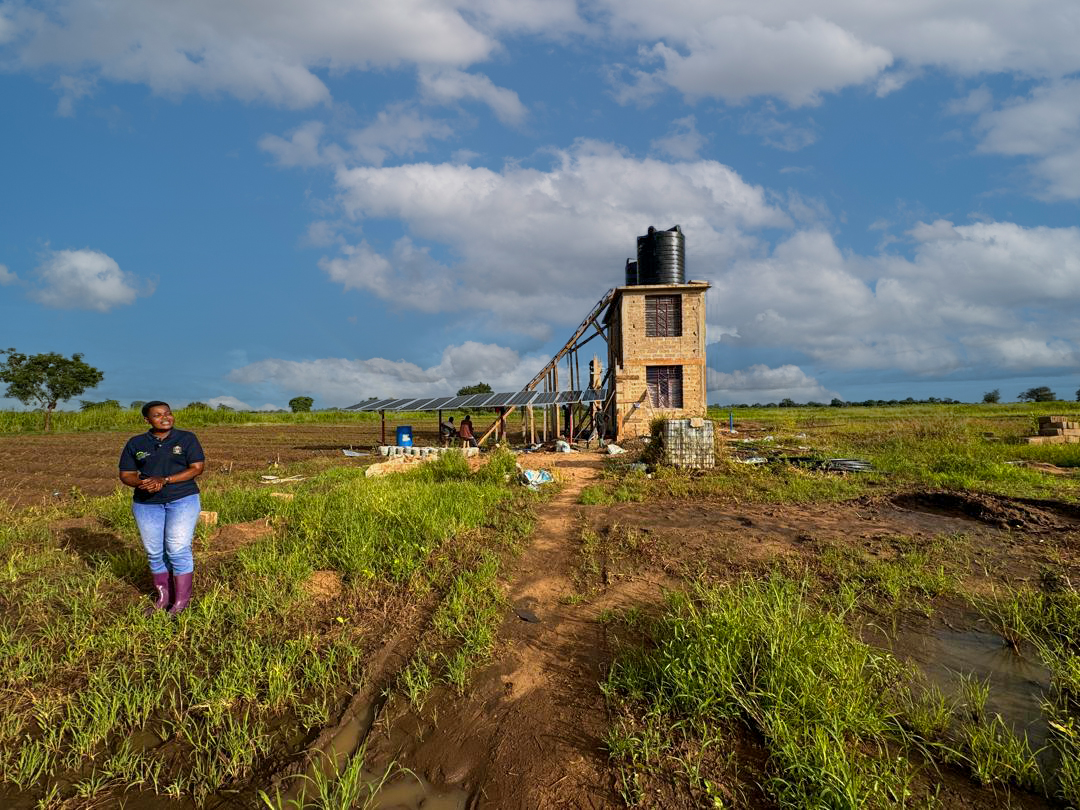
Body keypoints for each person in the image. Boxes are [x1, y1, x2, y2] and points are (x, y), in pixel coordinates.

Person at [119, 401, 205, 615]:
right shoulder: (136, 443)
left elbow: (197, 468)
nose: (165, 417)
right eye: (158, 415)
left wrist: (164, 479)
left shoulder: (186, 438)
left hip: (182, 499)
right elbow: (126, 474)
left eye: (168, 413)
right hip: (146, 504)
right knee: (155, 553)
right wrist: (143, 483)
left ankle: (180, 603)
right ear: (147, 420)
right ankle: (163, 598)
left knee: (177, 549)